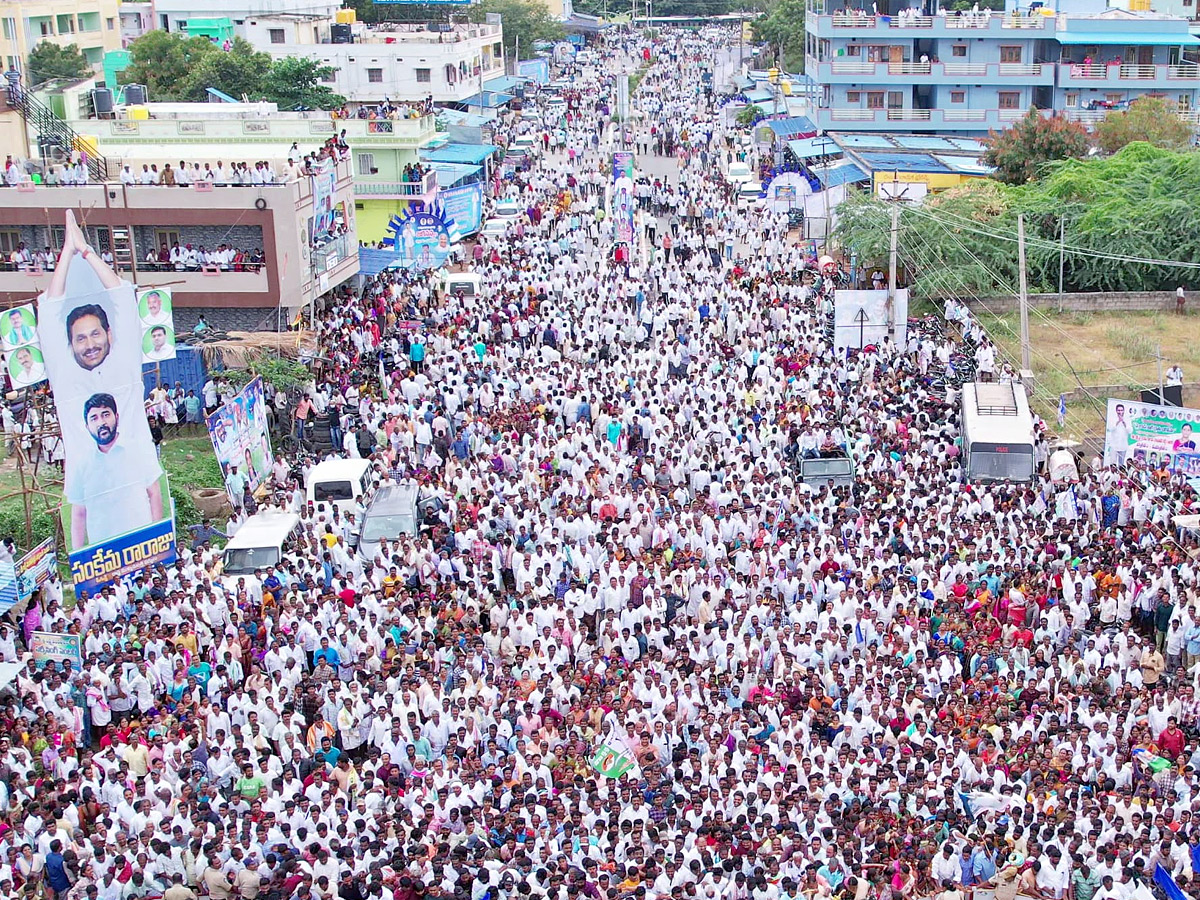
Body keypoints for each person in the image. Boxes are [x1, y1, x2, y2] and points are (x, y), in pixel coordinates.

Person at [68, 392, 164, 548]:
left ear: (117, 417)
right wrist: (79, 558)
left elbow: (154, 494)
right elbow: (78, 513)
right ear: (87, 426)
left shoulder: (138, 449)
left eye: (106, 414)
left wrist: (157, 539)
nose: (101, 422)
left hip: (142, 545)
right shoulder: (82, 464)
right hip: (104, 555)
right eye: (94, 418)